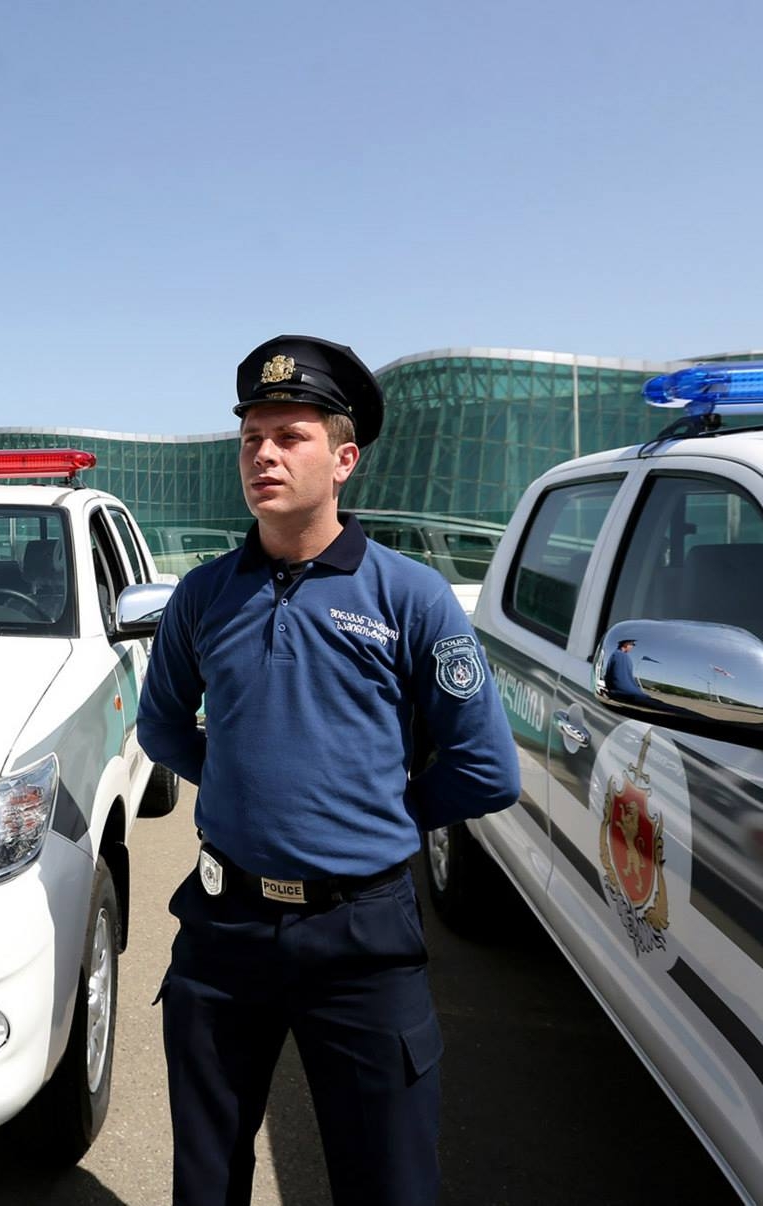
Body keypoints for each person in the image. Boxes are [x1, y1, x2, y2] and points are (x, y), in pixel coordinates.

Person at [138, 334, 521, 1206]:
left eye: (290, 436)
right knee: (205, 1182)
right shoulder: (204, 594)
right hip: (224, 929)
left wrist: (376, 815)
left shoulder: (409, 596)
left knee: (388, 1183)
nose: (262, 455)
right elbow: (161, 724)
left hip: (361, 938)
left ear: (344, 460)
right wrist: (236, 786)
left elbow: (485, 768)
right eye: (251, 438)